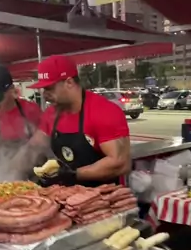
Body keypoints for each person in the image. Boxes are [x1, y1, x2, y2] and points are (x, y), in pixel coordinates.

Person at [27, 54, 131, 187]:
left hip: (103, 194)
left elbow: (120, 163)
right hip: (66, 192)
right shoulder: (51, 113)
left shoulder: (104, 111)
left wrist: (73, 174)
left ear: (69, 82)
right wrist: (13, 169)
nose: (44, 94)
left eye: (49, 88)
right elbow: (34, 146)